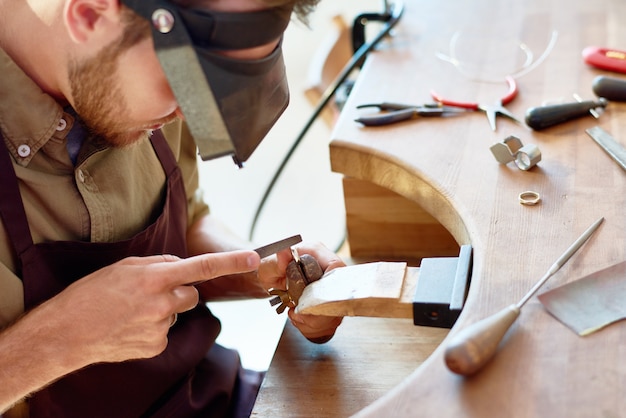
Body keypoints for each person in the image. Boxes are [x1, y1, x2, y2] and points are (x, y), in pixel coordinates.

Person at [0, 0, 344, 416]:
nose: (190, 111)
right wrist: (61, 339)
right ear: (89, 14)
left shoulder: (140, 58)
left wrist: (264, 271)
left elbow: (187, 224)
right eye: (190, 82)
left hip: (206, 397)